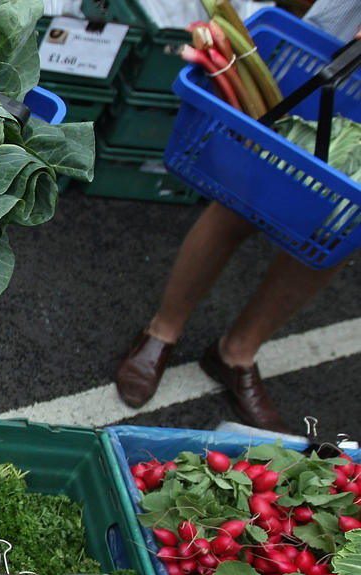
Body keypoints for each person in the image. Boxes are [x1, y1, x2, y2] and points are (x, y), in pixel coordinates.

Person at [115, 0, 361, 434]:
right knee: (246, 196)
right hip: (337, 51)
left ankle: (235, 354)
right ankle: (163, 330)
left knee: (337, 233)